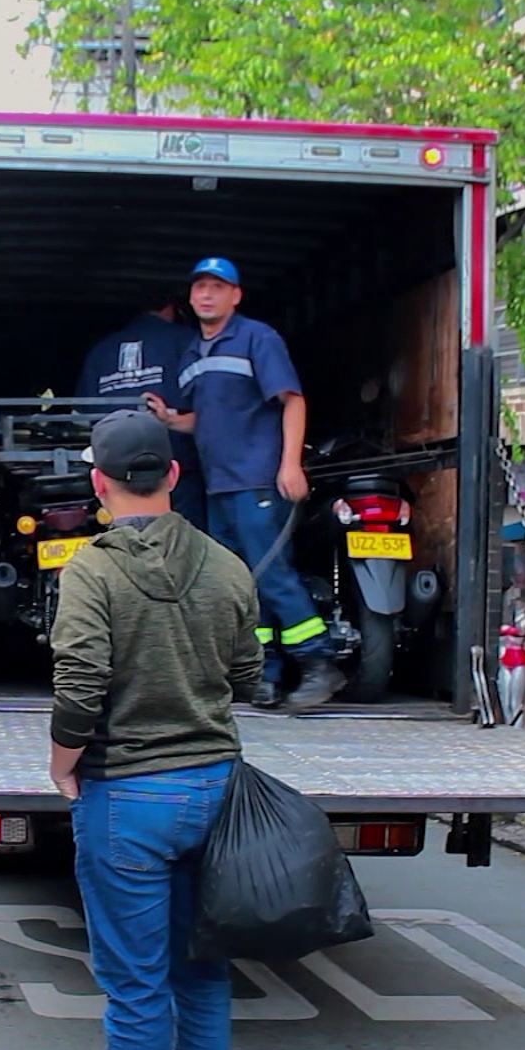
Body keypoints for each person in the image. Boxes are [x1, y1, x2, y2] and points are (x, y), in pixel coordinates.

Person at [49, 409, 261, 1050]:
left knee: (137, 990)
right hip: (216, 789)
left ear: (97, 483)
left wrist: (62, 763)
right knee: (203, 977)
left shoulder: (91, 571)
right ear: (173, 473)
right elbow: (248, 677)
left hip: (127, 796)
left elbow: (81, 681)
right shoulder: (227, 566)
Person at [145, 256, 346, 711]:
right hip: (219, 486)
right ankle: (265, 672)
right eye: (200, 287)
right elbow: (205, 419)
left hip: (257, 480)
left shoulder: (258, 338)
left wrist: (290, 464)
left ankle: (318, 663)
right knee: (240, 584)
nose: (207, 295)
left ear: (236, 296)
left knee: (270, 574)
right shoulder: (194, 354)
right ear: (190, 297)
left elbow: (292, 401)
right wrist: (169, 420)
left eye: (218, 287)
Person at [74, 290, 206, 530]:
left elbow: (81, 417)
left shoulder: (101, 350)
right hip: (175, 473)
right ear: (171, 308)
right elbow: (210, 402)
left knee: (126, 545)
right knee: (182, 546)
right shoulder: (188, 341)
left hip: (115, 475)